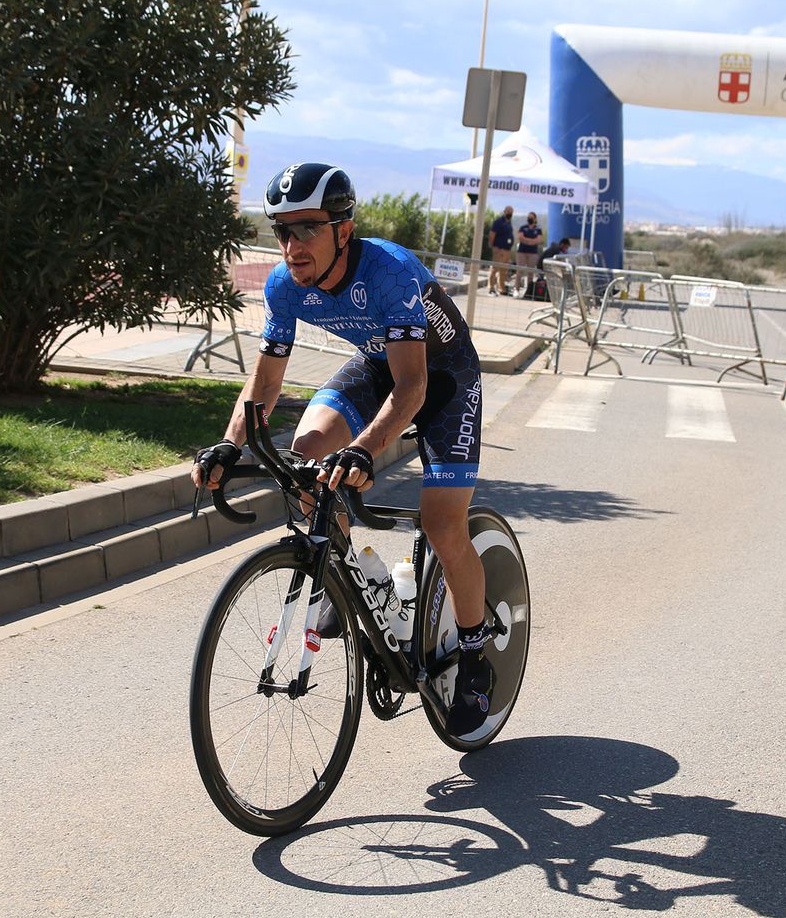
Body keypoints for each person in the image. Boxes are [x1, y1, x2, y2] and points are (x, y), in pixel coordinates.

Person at [192, 162, 494, 736]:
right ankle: (354, 575)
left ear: (343, 229)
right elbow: (264, 384)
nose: (292, 244)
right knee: (304, 454)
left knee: (442, 525)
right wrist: (229, 446)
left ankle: (476, 655)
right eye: (282, 230)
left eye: (307, 228)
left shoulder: (389, 273)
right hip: (380, 365)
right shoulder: (284, 284)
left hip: (443, 379)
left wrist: (362, 449)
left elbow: (416, 388)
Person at [514, 211, 544, 296]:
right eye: (528, 217)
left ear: (535, 219)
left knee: (530, 272)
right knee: (519, 271)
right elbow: (520, 237)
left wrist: (527, 240)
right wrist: (532, 241)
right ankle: (516, 289)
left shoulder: (538, 229)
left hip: (533, 253)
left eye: (531, 217)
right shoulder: (523, 227)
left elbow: (539, 240)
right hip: (522, 252)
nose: (529, 218)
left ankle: (529, 291)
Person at [487, 205, 515, 295]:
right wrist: (493, 246)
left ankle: (501, 288)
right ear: (504, 212)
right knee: (494, 268)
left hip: (507, 250)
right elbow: (492, 234)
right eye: (508, 211)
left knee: (503, 270)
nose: (510, 213)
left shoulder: (509, 223)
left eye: (511, 212)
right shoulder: (499, 222)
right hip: (499, 249)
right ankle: (491, 287)